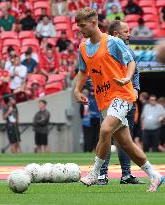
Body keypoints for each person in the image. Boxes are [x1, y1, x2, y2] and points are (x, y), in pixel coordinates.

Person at [74, 7, 164, 192]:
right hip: (104, 99)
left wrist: (127, 78)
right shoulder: (83, 47)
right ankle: (155, 175)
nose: (80, 29)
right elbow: (83, 71)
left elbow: (131, 61)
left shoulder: (113, 42)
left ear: (93, 23)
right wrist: (77, 90)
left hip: (122, 94)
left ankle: (95, 173)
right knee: (126, 144)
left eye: (82, 25)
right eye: (78, 26)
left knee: (105, 129)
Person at [97, 20, 143, 185]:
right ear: (115, 34)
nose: (129, 34)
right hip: (109, 100)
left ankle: (126, 175)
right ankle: (102, 175)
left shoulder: (129, 51)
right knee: (106, 136)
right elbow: (92, 77)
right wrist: (103, 89)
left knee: (126, 139)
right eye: (125, 32)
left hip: (127, 99)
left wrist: (136, 89)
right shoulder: (102, 52)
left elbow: (135, 71)